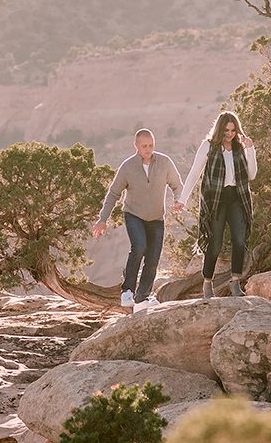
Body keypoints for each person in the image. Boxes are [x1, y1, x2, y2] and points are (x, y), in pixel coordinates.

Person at [91, 128, 184, 308]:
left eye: (151, 145)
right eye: (144, 146)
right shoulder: (127, 167)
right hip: (134, 215)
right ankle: (127, 291)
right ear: (136, 146)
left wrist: (178, 200)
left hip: (157, 218)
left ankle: (142, 297)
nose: (148, 149)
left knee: (153, 257)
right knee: (139, 246)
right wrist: (103, 219)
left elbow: (177, 184)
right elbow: (113, 194)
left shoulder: (164, 162)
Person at [180, 110, 257, 298]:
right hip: (216, 199)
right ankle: (207, 283)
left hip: (237, 198)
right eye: (226, 130)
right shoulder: (209, 146)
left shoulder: (240, 147)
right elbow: (194, 173)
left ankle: (235, 282)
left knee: (240, 240)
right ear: (219, 130)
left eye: (233, 130)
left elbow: (251, 175)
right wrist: (182, 199)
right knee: (215, 244)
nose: (229, 134)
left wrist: (250, 149)